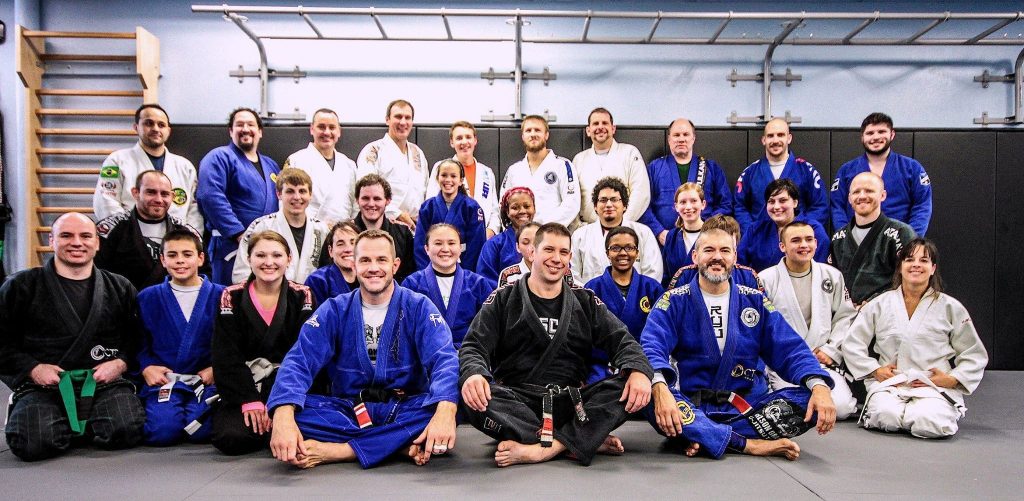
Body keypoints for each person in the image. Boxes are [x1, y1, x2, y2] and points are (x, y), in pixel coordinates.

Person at [460, 223, 654, 467]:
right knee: (473, 393)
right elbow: (473, 345)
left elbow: (623, 340)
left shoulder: (584, 301)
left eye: (563, 252)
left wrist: (637, 370)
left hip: (571, 403)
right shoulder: (504, 297)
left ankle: (544, 448)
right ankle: (580, 439)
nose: (556, 258)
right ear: (532, 253)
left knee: (629, 383)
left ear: (570, 258)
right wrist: (474, 374)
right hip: (518, 403)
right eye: (549, 250)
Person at [267, 230, 460, 469]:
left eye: (381, 260)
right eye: (365, 260)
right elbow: (300, 359)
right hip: (348, 410)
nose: (373, 268)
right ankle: (395, 444)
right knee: (288, 414)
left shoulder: (418, 306)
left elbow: (444, 359)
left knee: (445, 411)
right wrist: (284, 413)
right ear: (354, 264)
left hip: (403, 407)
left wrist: (445, 409)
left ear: (395, 265)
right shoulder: (335, 309)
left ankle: (343, 450)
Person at [641, 226, 836, 461]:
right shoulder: (673, 300)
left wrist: (819, 385)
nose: (717, 257)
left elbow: (790, 348)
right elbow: (651, 346)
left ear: (735, 256)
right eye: (708, 250)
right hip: (694, 405)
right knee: (647, 392)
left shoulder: (754, 300)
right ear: (695, 256)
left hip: (747, 409)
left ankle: (703, 435)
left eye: (725, 250)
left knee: (809, 399)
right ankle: (745, 443)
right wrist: (660, 387)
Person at [0, 213, 145, 461]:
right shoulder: (21, 286)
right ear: (51, 239)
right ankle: (58, 419)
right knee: (32, 443)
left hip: (104, 383)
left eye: (85, 236)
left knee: (126, 429)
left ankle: (73, 421)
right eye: (66, 235)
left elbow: (137, 337)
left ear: (97, 243)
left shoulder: (119, 287)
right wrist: (32, 368)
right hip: (43, 385)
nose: (77, 242)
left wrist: (120, 362)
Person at [843, 238, 988, 438]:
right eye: (910, 259)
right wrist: (875, 370)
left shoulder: (950, 307)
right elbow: (852, 343)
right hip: (891, 383)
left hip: (932, 384)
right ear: (900, 267)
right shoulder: (880, 304)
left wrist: (952, 379)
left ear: (933, 268)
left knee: (928, 422)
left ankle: (925, 411)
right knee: (886, 417)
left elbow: (974, 353)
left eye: (924, 260)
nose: (916, 265)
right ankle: (903, 412)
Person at [210, 231, 315, 455]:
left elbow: (305, 352)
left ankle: (273, 426)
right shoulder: (231, 296)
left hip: (286, 383)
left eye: (277, 255)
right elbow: (225, 355)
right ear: (249, 259)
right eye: (260, 255)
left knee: (312, 428)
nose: (269, 262)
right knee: (231, 437)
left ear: (288, 259)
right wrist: (249, 400)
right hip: (247, 383)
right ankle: (267, 428)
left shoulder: (303, 295)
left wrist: (282, 402)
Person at [759, 221, 859, 420]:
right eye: (796, 240)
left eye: (809, 240)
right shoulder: (765, 279)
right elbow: (760, 328)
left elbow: (845, 316)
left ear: (816, 243)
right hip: (784, 363)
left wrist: (830, 350)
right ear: (782, 246)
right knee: (788, 408)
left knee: (842, 408)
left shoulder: (832, 276)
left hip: (819, 360)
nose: (804, 245)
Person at [136, 228, 224, 445]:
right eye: (172, 255)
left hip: (206, 381)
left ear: (200, 258)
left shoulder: (223, 295)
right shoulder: (148, 297)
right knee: (162, 432)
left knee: (201, 430)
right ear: (162, 260)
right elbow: (137, 341)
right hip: (166, 380)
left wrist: (218, 368)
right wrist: (146, 366)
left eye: (187, 254)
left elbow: (235, 342)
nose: (180, 261)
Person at [197, 108, 281, 285]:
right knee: (228, 299)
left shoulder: (271, 165)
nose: (245, 128)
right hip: (230, 245)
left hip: (265, 249)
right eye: (239, 124)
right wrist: (239, 234)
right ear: (230, 131)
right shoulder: (219, 157)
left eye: (250, 124)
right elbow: (210, 196)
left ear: (260, 131)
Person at [93, 103, 203, 231]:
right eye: (149, 123)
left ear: (168, 130)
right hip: (130, 238)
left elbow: (194, 209)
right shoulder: (117, 161)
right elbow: (106, 202)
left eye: (161, 125)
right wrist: (128, 234)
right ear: (136, 127)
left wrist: (188, 237)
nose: (156, 129)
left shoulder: (185, 166)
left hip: (175, 241)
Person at [95, 170, 204, 290]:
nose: (158, 199)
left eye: (164, 194)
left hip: (174, 305)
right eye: (151, 192)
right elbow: (97, 275)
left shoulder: (187, 233)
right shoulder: (110, 230)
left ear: (172, 196)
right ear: (135, 193)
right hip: (123, 305)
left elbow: (204, 274)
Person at [584, 226, 665, 383]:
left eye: (629, 247)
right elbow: (584, 336)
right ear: (607, 253)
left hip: (643, 366)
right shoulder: (592, 288)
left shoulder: (652, 288)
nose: (622, 253)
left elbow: (660, 333)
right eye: (615, 248)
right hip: (601, 368)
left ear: (637, 252)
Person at [831, 112, 932, 236]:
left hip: (899, 240)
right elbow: (837, 206)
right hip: (857, 240)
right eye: (870, 133)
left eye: (881, 132)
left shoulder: (912, 168)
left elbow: (922, 205)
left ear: (892, 134)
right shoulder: (846, 170)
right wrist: (846, 237)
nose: (875, 137)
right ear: (862, 137)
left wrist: (911, 239)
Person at [640, 118, 731, 245]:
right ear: (669, 139)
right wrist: (658, 232)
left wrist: (708, 227)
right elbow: (643, 205)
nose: (681, 139)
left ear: (693, 138)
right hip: (664, 242)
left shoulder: (710, 168)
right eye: (676, 135)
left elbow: (725, 204)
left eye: (686, 134)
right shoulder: (654, 168)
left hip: (704, 241)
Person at [829, 172, 916, 305]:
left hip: (887, 314)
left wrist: (873, 303)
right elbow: (831, 280)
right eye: (856, 192)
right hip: (846, 317)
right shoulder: (839, 238)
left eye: (869, 191)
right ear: (849, 198)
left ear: (883, 195)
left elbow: (911, 279)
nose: (862, 196)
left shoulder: (900, 233)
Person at [404, 224, 495, 348]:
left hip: (468, 356)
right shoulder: (412, 284)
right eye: (438, 243)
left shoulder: (478, 284)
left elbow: (489, 327)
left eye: (451, 243)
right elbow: (405, 330)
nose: (445, 249)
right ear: (426, 249)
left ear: (460, 248)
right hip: (425, 357)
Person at [232, 168, 329, 284]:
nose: (297, 197)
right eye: (290, 191)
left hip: (312, 297)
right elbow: (242, 273)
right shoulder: (260, 227)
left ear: (310, 195)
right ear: (279, 194)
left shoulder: (321, 229)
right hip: (270, 295)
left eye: (302, 191)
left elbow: (329, 270)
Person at [734, 118, 828, 233]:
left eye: (780, 135)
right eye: (770, 136)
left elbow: (820, 206)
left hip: (797, 239)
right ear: (763, 140)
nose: (775, 140)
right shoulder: (749, 173)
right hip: (760, 240)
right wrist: (752, 232)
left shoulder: (806, 170)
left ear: (789, 138)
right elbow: (740, 206)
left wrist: (803, 230)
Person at [570, 177, 662, 285]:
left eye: (614, 199)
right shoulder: (580, 236)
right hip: (590, 299)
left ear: (624, 206)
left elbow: (653, 273)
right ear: (595, 206)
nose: (608, 205)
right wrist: (590, 299)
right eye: (603, 200)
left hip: (636, 299)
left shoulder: (643, 233)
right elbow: (573, 275)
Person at [356, 99, 429, 229]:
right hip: (385, 223)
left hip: (415, 226)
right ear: (387, 120)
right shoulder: (374, 150)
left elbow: (425, 191)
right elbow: (366, 191)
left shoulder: (417, 153)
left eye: (408, 118)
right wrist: (397, 213)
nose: (403, 122)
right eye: (398, 117)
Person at [499, 115, 580, 228]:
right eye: (528, 130)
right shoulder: (514, 170)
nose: (533, 134)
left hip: (551, 234)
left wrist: (545, 228)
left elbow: (572, 203)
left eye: (537, 130)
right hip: (520, 236)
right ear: (523, 136)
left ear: (546, 135)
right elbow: (503, 205)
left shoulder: (562, 165)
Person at [573, 107, 651, 225]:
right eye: (595, 123)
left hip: (623, 228)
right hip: (588, 228)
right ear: (588, 130)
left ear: (613, 128)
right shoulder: (579, 159)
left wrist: (622, 223)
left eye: (605, 123)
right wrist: (579, 227)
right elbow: (573, 198)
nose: (600, 127)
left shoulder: (629, 153)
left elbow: (641, 192)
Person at [283, 108, 359, 226]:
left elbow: (356, 204)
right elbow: (286, 200)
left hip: (344, 234)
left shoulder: (349, 165)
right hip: (308, 230)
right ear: (312, 129)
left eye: (332, 127)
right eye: (321, 127)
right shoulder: (296, 161)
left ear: (339, 131)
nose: (327, 132)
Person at [428, 121, 501, 237]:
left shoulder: (487, 172)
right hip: (449, 238)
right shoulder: (441, 167)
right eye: (459, 138)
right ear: (452, 142)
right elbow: (431, 204)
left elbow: (495, 210)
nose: (464, 142)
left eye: (468, 137)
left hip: (482, 238)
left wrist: (490, 231)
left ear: (475, 140)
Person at [739, 179, 830, 272]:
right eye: (771, 201)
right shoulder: (755, 230)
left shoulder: (814, 230)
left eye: (782, 201)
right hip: (760, 285)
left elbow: (821, 270)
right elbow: (739, 266)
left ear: (795, 203)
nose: (776, 207)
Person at [413, 159, 487, 272]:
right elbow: (420, 245)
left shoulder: (472, 208)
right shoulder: (427, 207)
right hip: (431, 269)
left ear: (461, 180)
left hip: (463, 269)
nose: (448, 180)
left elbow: (476, 246)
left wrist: (465, 274)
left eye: (453, 176)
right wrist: (426, 273)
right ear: (437, 178)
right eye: (444, 175)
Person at [665, 214, 762, 291]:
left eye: (725, 247)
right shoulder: (684, 275)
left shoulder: (748, 277)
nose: (718, 256)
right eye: (711, 247)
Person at [353, 174, 416, 282]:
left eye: (377, 199)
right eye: (365, 198)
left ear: (388, 201)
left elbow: (410, 275)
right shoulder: (344, 234)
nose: (371, 204)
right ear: (357, 200)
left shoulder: (403, 234)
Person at [476, 187, 536, 283]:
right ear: (507, 212)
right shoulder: (494, 244)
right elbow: (485, 281)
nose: (522, 211)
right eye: (515, 207)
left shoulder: (546, 240)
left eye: (527, 206)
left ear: (534, 208)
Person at [660, 182, 705, 287]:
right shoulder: (672, 236)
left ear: (703, 204)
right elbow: (666, 275)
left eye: (693, 201)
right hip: (676, 299)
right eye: (683, 202)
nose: (688, 207)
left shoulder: (714, 234)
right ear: (676, 206)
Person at [304, 221, 360, 304]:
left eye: (353, 243)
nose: (348, 249)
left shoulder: (370, 277)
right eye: (340, 244)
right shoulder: (317, 281)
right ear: (330, 251)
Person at [497, 222, 541, 287]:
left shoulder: (553, 271)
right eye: (525, 243)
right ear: (518, 247)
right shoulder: (508, 275)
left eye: (537, 241)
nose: (532, 247)